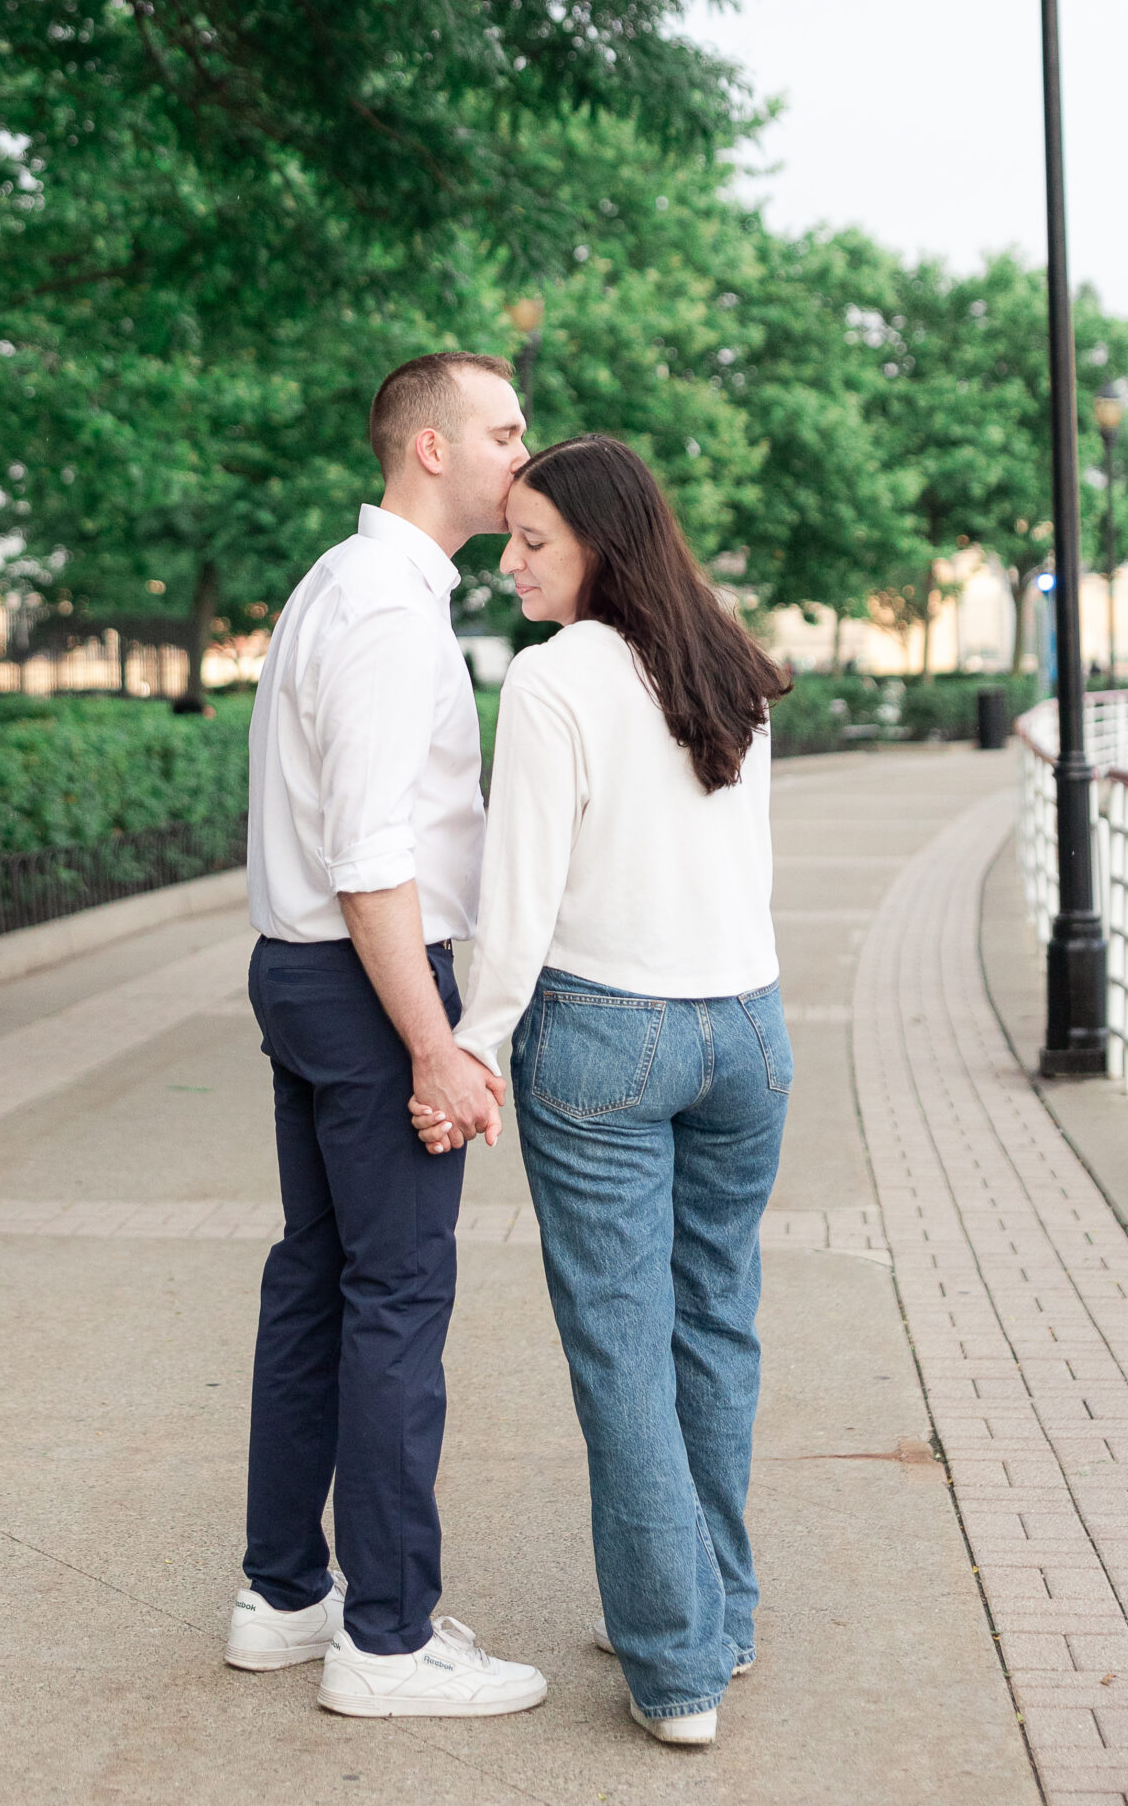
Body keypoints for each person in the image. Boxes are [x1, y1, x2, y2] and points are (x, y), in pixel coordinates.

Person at [413, 436, 791, 1747]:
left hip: (605, 1035)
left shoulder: (557, 676)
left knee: (623, 1352)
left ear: (602, 545)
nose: (510, 566)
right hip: (748, 1028)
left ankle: (676, 1671)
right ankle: (713, 1616)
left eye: (534, 543)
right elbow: (749, 865)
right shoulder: (728, 659)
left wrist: (475, 1043)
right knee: (715, 1325)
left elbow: (516, 896)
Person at [226, 350, 547, 1721]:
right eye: (505, 432)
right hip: (365, 985)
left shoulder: (352, 584)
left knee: (319, 1283)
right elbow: (368, 855)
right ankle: (390, 1640)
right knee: (396, 1302)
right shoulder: (383, 610)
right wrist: (435, 1043)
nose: (523, 453)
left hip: (315, 976)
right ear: (431, 448)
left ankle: (286, 1597)